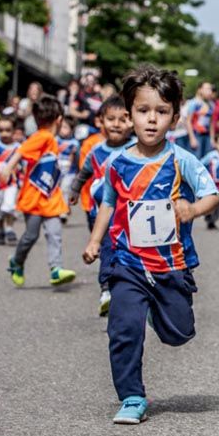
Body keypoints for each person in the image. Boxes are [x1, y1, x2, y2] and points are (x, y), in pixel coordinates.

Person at [81, 65, 219, 425]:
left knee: (179, 333)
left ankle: (160, 313)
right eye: (143, 111)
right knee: (123, 328)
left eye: (162, 112)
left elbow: (212, 196)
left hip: (171, 264)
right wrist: (95, 240)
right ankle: (131, 395)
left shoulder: (182, 159)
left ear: (175, 117)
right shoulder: (117, 162)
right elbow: (108, 204)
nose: (152, 120)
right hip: (127, 263)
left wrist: (191, 209)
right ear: (129, 116)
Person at [0, 96, 76, 288]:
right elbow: (22, 150)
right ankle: (16, 261)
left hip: (50, 198)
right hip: (33, 199)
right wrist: (8, 168)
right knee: (30, 236)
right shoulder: (44, 136)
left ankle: (56, 269)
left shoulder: (50, 138)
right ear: (59, 120)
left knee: (54, 232)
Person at [68, 95, 133, 316]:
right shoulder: (96, 152)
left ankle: (133, 289)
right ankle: (106, 289)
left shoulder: (137, 148)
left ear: (132, 121)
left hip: (131, 216)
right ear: (101, 122)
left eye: (123, 119)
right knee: (106, 250)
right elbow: (84, 172)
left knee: (131, 253)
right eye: (111, 119)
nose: (116, 124)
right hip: (103, 214)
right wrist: (75, 190)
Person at [0, 115, 21, 245]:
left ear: (14, 130)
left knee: (9, 206)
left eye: (8, 130)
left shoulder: (18, 147)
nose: (4, 133)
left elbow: (24, 164)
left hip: (12, 183)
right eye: (1, 130)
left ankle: (10, 229)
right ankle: (1, 230)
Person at [184, 81, 215, 159]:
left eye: (211, 89)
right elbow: (188, 121)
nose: (210, 92)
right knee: (195, 159)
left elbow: (211, 123)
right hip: (196, 135)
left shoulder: (211, 104)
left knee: (207, 160)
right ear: (200, 90)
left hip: (207, 136)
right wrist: (192, 138)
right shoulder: (193, 103)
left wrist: (212, 138)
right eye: (207, 89)